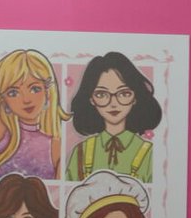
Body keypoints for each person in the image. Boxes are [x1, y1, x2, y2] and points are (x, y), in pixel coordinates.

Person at [65, 51, 162, 183]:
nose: (113, 103)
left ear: (135, 97)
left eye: (124, 93)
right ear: (91, 99)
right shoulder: (80, 152)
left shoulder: (150, 153)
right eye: (101, 94)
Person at [0, 47, 61, 181]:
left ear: (47, 92)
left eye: (35, 89)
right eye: (13, 93)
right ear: (4, 100)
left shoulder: (55, 144)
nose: (26, 99)